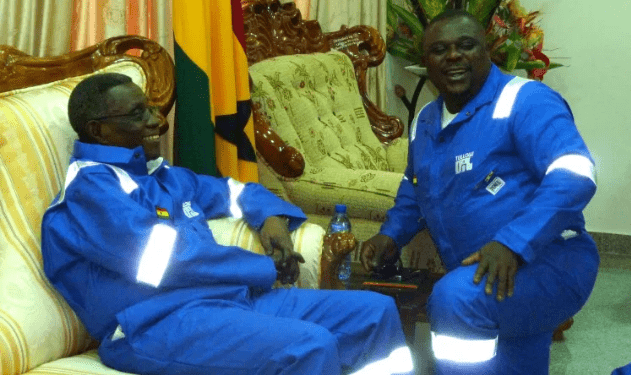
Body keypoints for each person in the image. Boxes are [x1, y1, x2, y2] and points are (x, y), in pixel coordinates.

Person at [41, 73, 415, 375]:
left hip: (229, 301)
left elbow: (235, 192)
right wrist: (261, 267)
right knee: (310, 346)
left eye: (152, 108)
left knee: (374, 312)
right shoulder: (90, 190)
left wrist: (271, 218)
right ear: (98, 130)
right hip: (154, 325)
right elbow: (165, 258)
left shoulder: (162, 176)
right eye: (137, 114)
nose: (157, 120)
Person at [361, 9, 599, 375]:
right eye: (439, 50)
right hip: (492, 273)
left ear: (488, 51)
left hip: (552, 262)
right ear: (425, 62)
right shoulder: (425, 119)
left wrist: (513, 243)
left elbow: (576, 173)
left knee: (456, 300)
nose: (453, 56)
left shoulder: (524, 100)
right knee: (517, 362)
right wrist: (390, 236)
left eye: (466, 45)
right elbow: (414, 188)